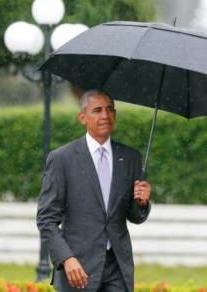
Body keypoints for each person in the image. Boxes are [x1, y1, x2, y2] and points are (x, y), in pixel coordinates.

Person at [37, 90, 151, 292]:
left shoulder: (131, 157)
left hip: (118, 267)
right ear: (82, 117)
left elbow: (133, 216)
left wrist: (141, 203)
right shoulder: (62, 159)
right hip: (78, 268)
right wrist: (66, 258)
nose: (105, 116)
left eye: (110, 110)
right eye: (97, 110)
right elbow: (46, 219)